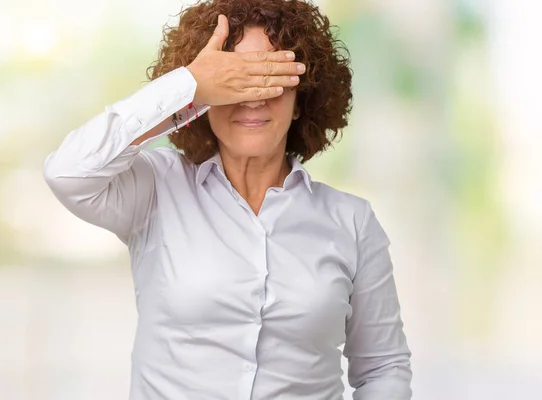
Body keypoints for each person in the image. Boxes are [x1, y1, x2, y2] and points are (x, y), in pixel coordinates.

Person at [43, 0, 413, 399]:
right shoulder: (156, 190)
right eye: (233, 80)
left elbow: (383, 367)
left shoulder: (352, 222)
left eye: (269, 77)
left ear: (301, 98)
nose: (252, 98)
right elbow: (68, 172)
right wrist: (187, 85)